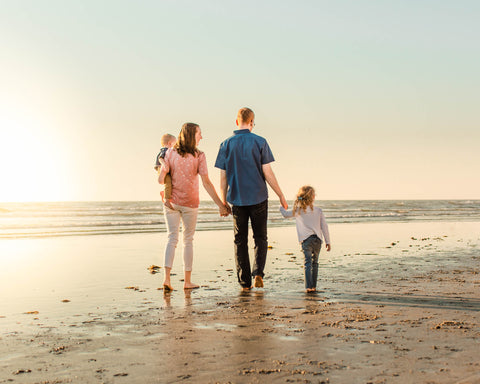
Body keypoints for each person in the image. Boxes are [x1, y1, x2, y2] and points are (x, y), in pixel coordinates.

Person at [215, 107, 288, 291]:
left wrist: (223, 202)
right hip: (258, 197)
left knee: (240, 240)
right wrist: (280, 194)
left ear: (236, 121)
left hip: (237, 199)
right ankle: (257, 274)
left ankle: (244, 282)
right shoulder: (260, 142)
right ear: (252, 122)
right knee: (260, 238)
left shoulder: (225, 144)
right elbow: (267, 172)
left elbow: (223, 178)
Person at [158, 123, 229, 291]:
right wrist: (221, 205)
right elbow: (206, 183)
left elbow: (162, 180)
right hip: (190, 203)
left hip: (172, 203)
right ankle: (187, 281)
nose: (201, 137)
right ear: (191, 135)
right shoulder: (199, 155)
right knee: (187, 241)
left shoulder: (170, 152)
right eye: (199, 133)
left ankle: (167, 278)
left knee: (172, 239)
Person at [279, 185, 331, 292]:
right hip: (317, 240)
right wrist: (328, 241)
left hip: (306, 241)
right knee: (315, 263)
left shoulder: (298, 210)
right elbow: (324, 226)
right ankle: (314, 286)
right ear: (313, 197)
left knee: (307, 263)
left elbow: (285, 215)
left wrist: (281, 207)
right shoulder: (318, 211)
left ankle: (308, 287)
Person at [154, 133, 176, 209]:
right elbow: (160, 158)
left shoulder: (168, 150)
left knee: (170, 183)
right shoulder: (165, 150)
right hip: (162, 168)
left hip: (165, 168)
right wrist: (164, 164)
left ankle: (164, 194)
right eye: (174, 144)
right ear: (169, 143)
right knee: (168, 182)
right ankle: (166, 201)